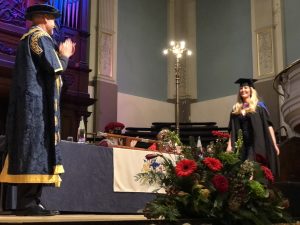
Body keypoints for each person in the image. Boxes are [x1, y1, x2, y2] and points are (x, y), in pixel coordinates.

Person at [0, 4, 75, 215]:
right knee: (35, 148)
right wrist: (65, 55)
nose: (55, 22)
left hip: (37, 103)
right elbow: (54, 67)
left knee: (37, 148)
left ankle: (33, 201)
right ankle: (28, 203)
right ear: (42, 18)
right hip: (35, 106)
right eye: (52, 18)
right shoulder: (37, 37)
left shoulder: (36, 38)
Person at [226, 78, 280, 177]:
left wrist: (274, 143)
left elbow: (268, 125)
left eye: (246, 87)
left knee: (250, 168)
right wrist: (229, 145)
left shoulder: (259, 107)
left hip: (256, 144)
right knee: (240, 170)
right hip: (241, 145)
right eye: (241, 88)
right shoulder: (236, 109)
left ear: (251, 90)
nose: (243, 90)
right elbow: (232, 129)